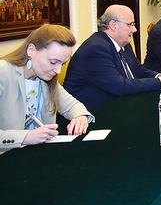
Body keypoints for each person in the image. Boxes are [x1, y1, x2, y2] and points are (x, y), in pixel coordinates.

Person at [64, 5, 161, 111]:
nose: (134, 30)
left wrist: (159, 76)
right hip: (92, 114)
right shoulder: (96, 48)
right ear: (113, 25)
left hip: (118, 106)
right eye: (130, 24)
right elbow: (120, 86)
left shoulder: (123, 44)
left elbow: (138, 70)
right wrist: (160, 82)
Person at [0, 24, 93, 152]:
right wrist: (25, 137)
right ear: (31, 50)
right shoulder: (3, 72)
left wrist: (80, 117)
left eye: (63, 64)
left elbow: (72, 105)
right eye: (53, 62)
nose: (58, 70)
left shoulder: (44, 77)